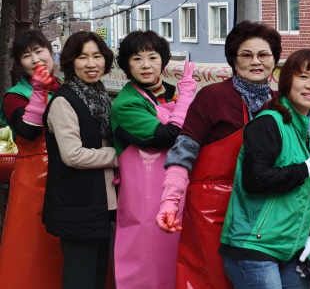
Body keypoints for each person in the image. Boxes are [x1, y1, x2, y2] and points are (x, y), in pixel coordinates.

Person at [156, 21, 281, 289]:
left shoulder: (280, 103)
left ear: (274, 59)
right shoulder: (212, 96)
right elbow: (184, 150)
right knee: (210, 279)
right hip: (211, 210)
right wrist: (170, 200)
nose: (255, 62)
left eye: (263, 54)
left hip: (262, 210)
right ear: (233, 60)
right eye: (246, 55)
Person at [220, 49, 310, 289]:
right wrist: (306, 168)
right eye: (303, 77)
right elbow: (254, 180)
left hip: (292, 247)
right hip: (254, 246)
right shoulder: (268, 122)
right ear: (287, 81)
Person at [111, 30, 197, 289]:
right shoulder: (126, 104)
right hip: (144, 200)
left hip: (182, 188)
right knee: (146, 261)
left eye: (153, 57)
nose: (146, 65)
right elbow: (170, 135)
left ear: (163, 60)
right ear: (126, 64)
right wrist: (186, 101)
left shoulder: (173, 92)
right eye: (137, 59)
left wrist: (183, 97)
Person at [42, 31, 117, 289]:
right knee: (81, 277)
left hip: (96, 203)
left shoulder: (100, 97)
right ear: (71, 61)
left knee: (97, 275)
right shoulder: (64, 101)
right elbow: (72, 155)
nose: (91, 63)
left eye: (97, 56)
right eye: (83, 57)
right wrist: (116, 157)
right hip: (76, 205)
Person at [0, 31, 63, 288]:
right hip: (33, 179)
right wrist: (39, 92)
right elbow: (27, 130)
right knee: (30, 249)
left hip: (71, 171)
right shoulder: (14, 95)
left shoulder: (66, 85)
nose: (35, 59)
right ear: (20, 63)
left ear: (51, 52)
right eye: (27, 55)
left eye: (40, 51)